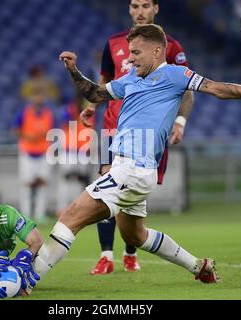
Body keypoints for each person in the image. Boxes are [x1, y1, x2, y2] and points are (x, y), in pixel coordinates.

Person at [31, 24, 241, 285]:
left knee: (69, 219)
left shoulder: (175, 75)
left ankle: (27, 279)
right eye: (129, 53)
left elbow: (218, 88)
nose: (129, 59)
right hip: (133, 171)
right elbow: (95, 93)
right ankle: (199, 266)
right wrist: (74, 71)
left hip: (131, 170)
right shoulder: (131, 77)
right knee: (135, 236)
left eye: (135, 53)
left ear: (156, 52)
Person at [86, 0, 194, 275]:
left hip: (148, 132)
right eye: (135, 5)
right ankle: (106, 255)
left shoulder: (171, 46)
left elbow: (187, 88)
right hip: (113, 125)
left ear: (156, 9)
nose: (140, 11)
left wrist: (180, 121)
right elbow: (104, 80)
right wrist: (91, 106)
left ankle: (131, 251)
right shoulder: (113, 42)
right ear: (129, 10)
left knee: (132, 191)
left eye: (146, 5)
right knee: (105, 181)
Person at [12, 85, 55, 223]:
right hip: (27, 152)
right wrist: (26, 135)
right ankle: (25, 215)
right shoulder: (24, 112)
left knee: (43, 184)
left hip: (43, 152)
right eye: (36, 95)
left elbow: (54, 131)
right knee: (26, 184)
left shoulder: (48, 113)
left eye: (41, 95)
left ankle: (40, 214)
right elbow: (14, 130)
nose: (38, 98)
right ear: (31, 98)